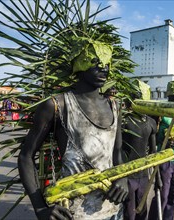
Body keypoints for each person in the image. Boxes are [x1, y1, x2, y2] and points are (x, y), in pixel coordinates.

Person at [18, 39, 128, 220]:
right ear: (80, 64)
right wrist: (39, 208)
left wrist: (122, 178)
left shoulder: (114, 105)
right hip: (74, 213)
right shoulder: (57, 105)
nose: (104, 69)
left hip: (114, 211)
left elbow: (116, 152)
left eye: (107, 64)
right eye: (96, 62)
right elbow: (25, 156)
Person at [148, 80, 174, 220]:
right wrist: (166, 143)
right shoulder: (161, 112)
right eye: (172, 96)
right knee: (162, 194)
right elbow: (154, 137)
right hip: (164, 158)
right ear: (168, 96)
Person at [122, 80, 157, 220]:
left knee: (142, 212)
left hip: (144, 176)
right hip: (128, 176)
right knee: (129, 214)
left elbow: (154, 152)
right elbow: (117, 149)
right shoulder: (124, 121)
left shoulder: (151, 122)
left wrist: (157, 178)